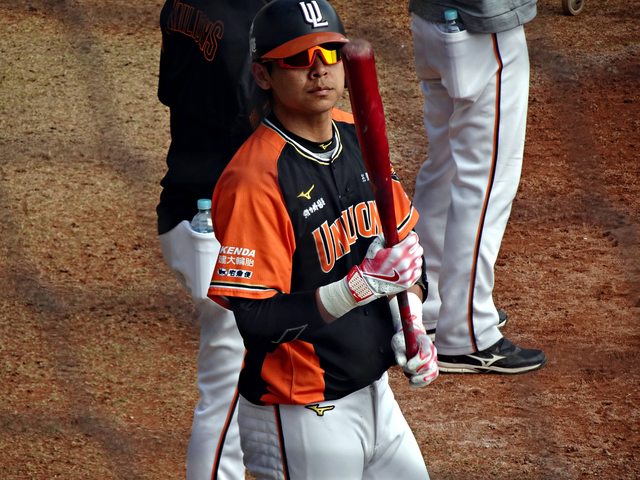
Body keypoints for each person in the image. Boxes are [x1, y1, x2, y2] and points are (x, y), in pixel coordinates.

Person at [207, 1, 439, 478]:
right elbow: (256, 319)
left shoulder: (357, 134)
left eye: (329, 53)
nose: (318, 70)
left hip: (377, 394)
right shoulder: (255, 179)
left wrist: (411, 321)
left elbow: (404, 252)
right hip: (302, 413)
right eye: (298, 59)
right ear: (263, 74)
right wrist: (357, 289)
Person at [156, 1, 269, 479]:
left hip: (186, 208)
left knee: (240, 382)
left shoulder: (181, 3)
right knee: (228, 395)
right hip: (224, 224)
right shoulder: (256, 20)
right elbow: (261, 125)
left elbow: (169, 90)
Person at [408, 0, 547, 373]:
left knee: (444, 169)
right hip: (483, 30)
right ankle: (467, 331)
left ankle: (430, 305)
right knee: (486, 183)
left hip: (429, 21)